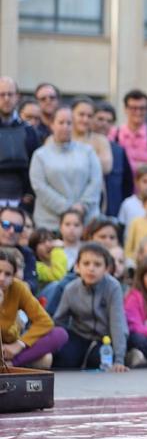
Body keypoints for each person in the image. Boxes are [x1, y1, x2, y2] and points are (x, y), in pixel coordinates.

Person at [52, 242, 128, 371]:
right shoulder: (70, 289)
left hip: (105, 338)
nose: (91, 269)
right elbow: (59, 321)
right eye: (86, 263)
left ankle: (127, 354)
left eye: (97, 264)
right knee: (65, 360)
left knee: (99, 361)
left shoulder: (113, 287)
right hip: (79, 334)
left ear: (106, 269)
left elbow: (118, 324)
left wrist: (119, 359)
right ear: (77, 266)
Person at [29, 107, 103, 229]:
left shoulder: (87, 151)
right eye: (61, 122)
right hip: (50, 222)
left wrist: (83, 206)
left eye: (69, 123)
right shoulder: (40, 155)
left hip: (86, 221)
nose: (65, 127)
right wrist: (67, 208)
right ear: (52, 125)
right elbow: (39, 186)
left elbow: (96, 181)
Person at [0, 248, 68, 369]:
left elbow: (45, 322)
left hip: (9, 349)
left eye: (8, 274)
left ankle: (11, 365)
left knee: (59, 335)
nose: (2, 278)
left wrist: (20, 344)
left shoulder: (18, 288)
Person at [0, 77, 39, 208]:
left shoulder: (29, 131)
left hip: (22, 202)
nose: (6, 98)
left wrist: (30, 193)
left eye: (10, 94)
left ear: (17, 97)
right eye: (2, 94)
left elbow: (36, 165)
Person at [93, 101, 134, 218]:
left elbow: (127, 185)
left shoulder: (119, 151)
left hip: (112, 215)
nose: (104, 124)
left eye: (109, 121)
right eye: (100, 119)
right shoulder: (83, 147)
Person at [110, 89, 147, 172]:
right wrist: (143, 165)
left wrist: (127, 165)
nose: (138, 112)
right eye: (133, 108)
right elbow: (112, 163)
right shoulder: (114, 133)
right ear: (125, 109)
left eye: (142, 108)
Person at [0, 206, 39, 292]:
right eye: (6, 225)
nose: (11, 231)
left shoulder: (26, 253)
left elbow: (32, 283)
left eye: (17, 228)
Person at [70, 97, 113, 175]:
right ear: (71, 114)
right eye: (81, 114)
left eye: (89, 116)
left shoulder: (101, 140)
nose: (85, 119)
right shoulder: (56, 139)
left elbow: (106, 167)